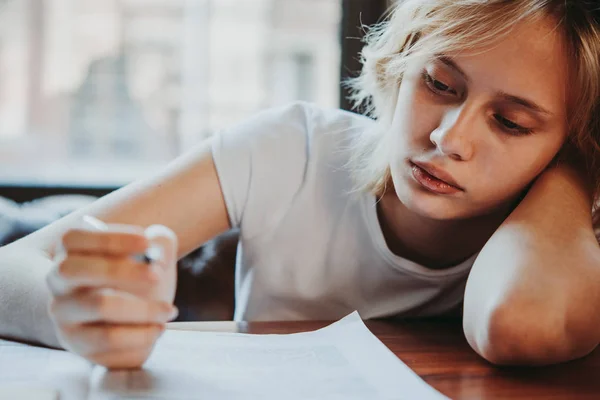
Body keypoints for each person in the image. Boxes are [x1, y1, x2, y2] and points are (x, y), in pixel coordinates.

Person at [1, 0, 600, 369]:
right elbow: (14, 267)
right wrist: (78, 315)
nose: (451, 137)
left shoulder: (561, 244)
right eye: (439, 84)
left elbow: (522, 323)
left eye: (511, 123)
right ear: (400, 63)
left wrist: (577, 168)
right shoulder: (291, 148)